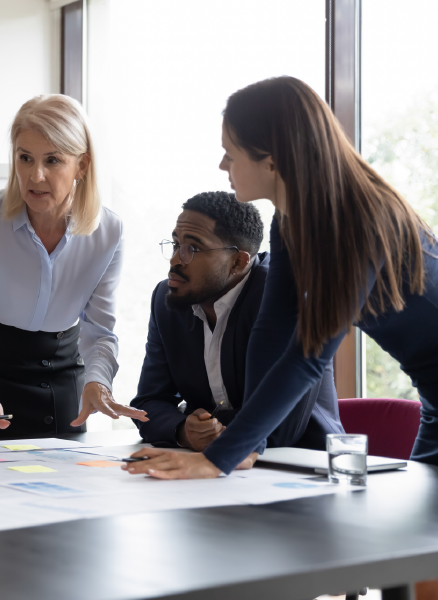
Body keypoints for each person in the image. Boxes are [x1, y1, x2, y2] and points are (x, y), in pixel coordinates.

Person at [125, 75, 438, 479]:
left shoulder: (355, 223)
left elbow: (307, 357)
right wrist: (246, 445)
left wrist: (216, 459)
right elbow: (272, 333)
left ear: (271, 160)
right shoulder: (290, 222)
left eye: (230, 154)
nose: (223, 165)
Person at [0, 94, 148, 440]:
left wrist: (98, 381)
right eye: (25, 158)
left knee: (65, 476)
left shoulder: (109, 232)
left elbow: (99, 331)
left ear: (81, 166)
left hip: (62, 361)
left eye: (53, 160)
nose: (35, 176)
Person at [130, 191, 342, 451]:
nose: (175, 260)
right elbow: (148, 402)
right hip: (214, 464)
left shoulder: (285, 297)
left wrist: (206, 426)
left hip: (301, 464)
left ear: (238, 262)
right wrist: (183, 430)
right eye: (176, 245)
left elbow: (280, 426)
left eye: (192, 249)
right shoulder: (168, 299)